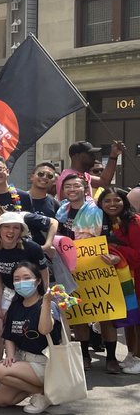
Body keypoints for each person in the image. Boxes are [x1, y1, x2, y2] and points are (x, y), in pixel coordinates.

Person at [0, 263, 62, 414]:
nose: (21, 282)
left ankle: (44, 392)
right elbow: (9, 335)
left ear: (38, 280)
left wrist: (47, 302)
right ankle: (42, 392)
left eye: (27, 278)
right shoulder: (16, 305)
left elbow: (44, 329)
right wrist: (9, 355)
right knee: (0, 399)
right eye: (17, 279)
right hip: (22, 360)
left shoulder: (49, 305)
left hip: (43, 362)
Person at [0, 210, 51, 365]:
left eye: (16, 227)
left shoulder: (32, 248)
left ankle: (26, 363)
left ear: (21, 231)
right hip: (7, 291)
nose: (11, 231)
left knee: (28, 328)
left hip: (31, 291)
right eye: (6, 227)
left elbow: (44, 273)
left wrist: (45, 296)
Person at [99, 188, 140, 374]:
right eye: (107, 201)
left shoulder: (134, 222)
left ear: (125, 202)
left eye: (117, 200)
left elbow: (138, 254)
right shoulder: (105, 222)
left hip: (136, 276)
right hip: (122, 279)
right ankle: (132, 354)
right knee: (130, 318)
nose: (112, 204)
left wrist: (117, 252)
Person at [59, 140, 123, 198]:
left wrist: (114, 155)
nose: (94, 157)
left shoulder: (82, 175)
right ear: (77, 156)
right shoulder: (68, 177)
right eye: (90, 154)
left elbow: (104, 181)